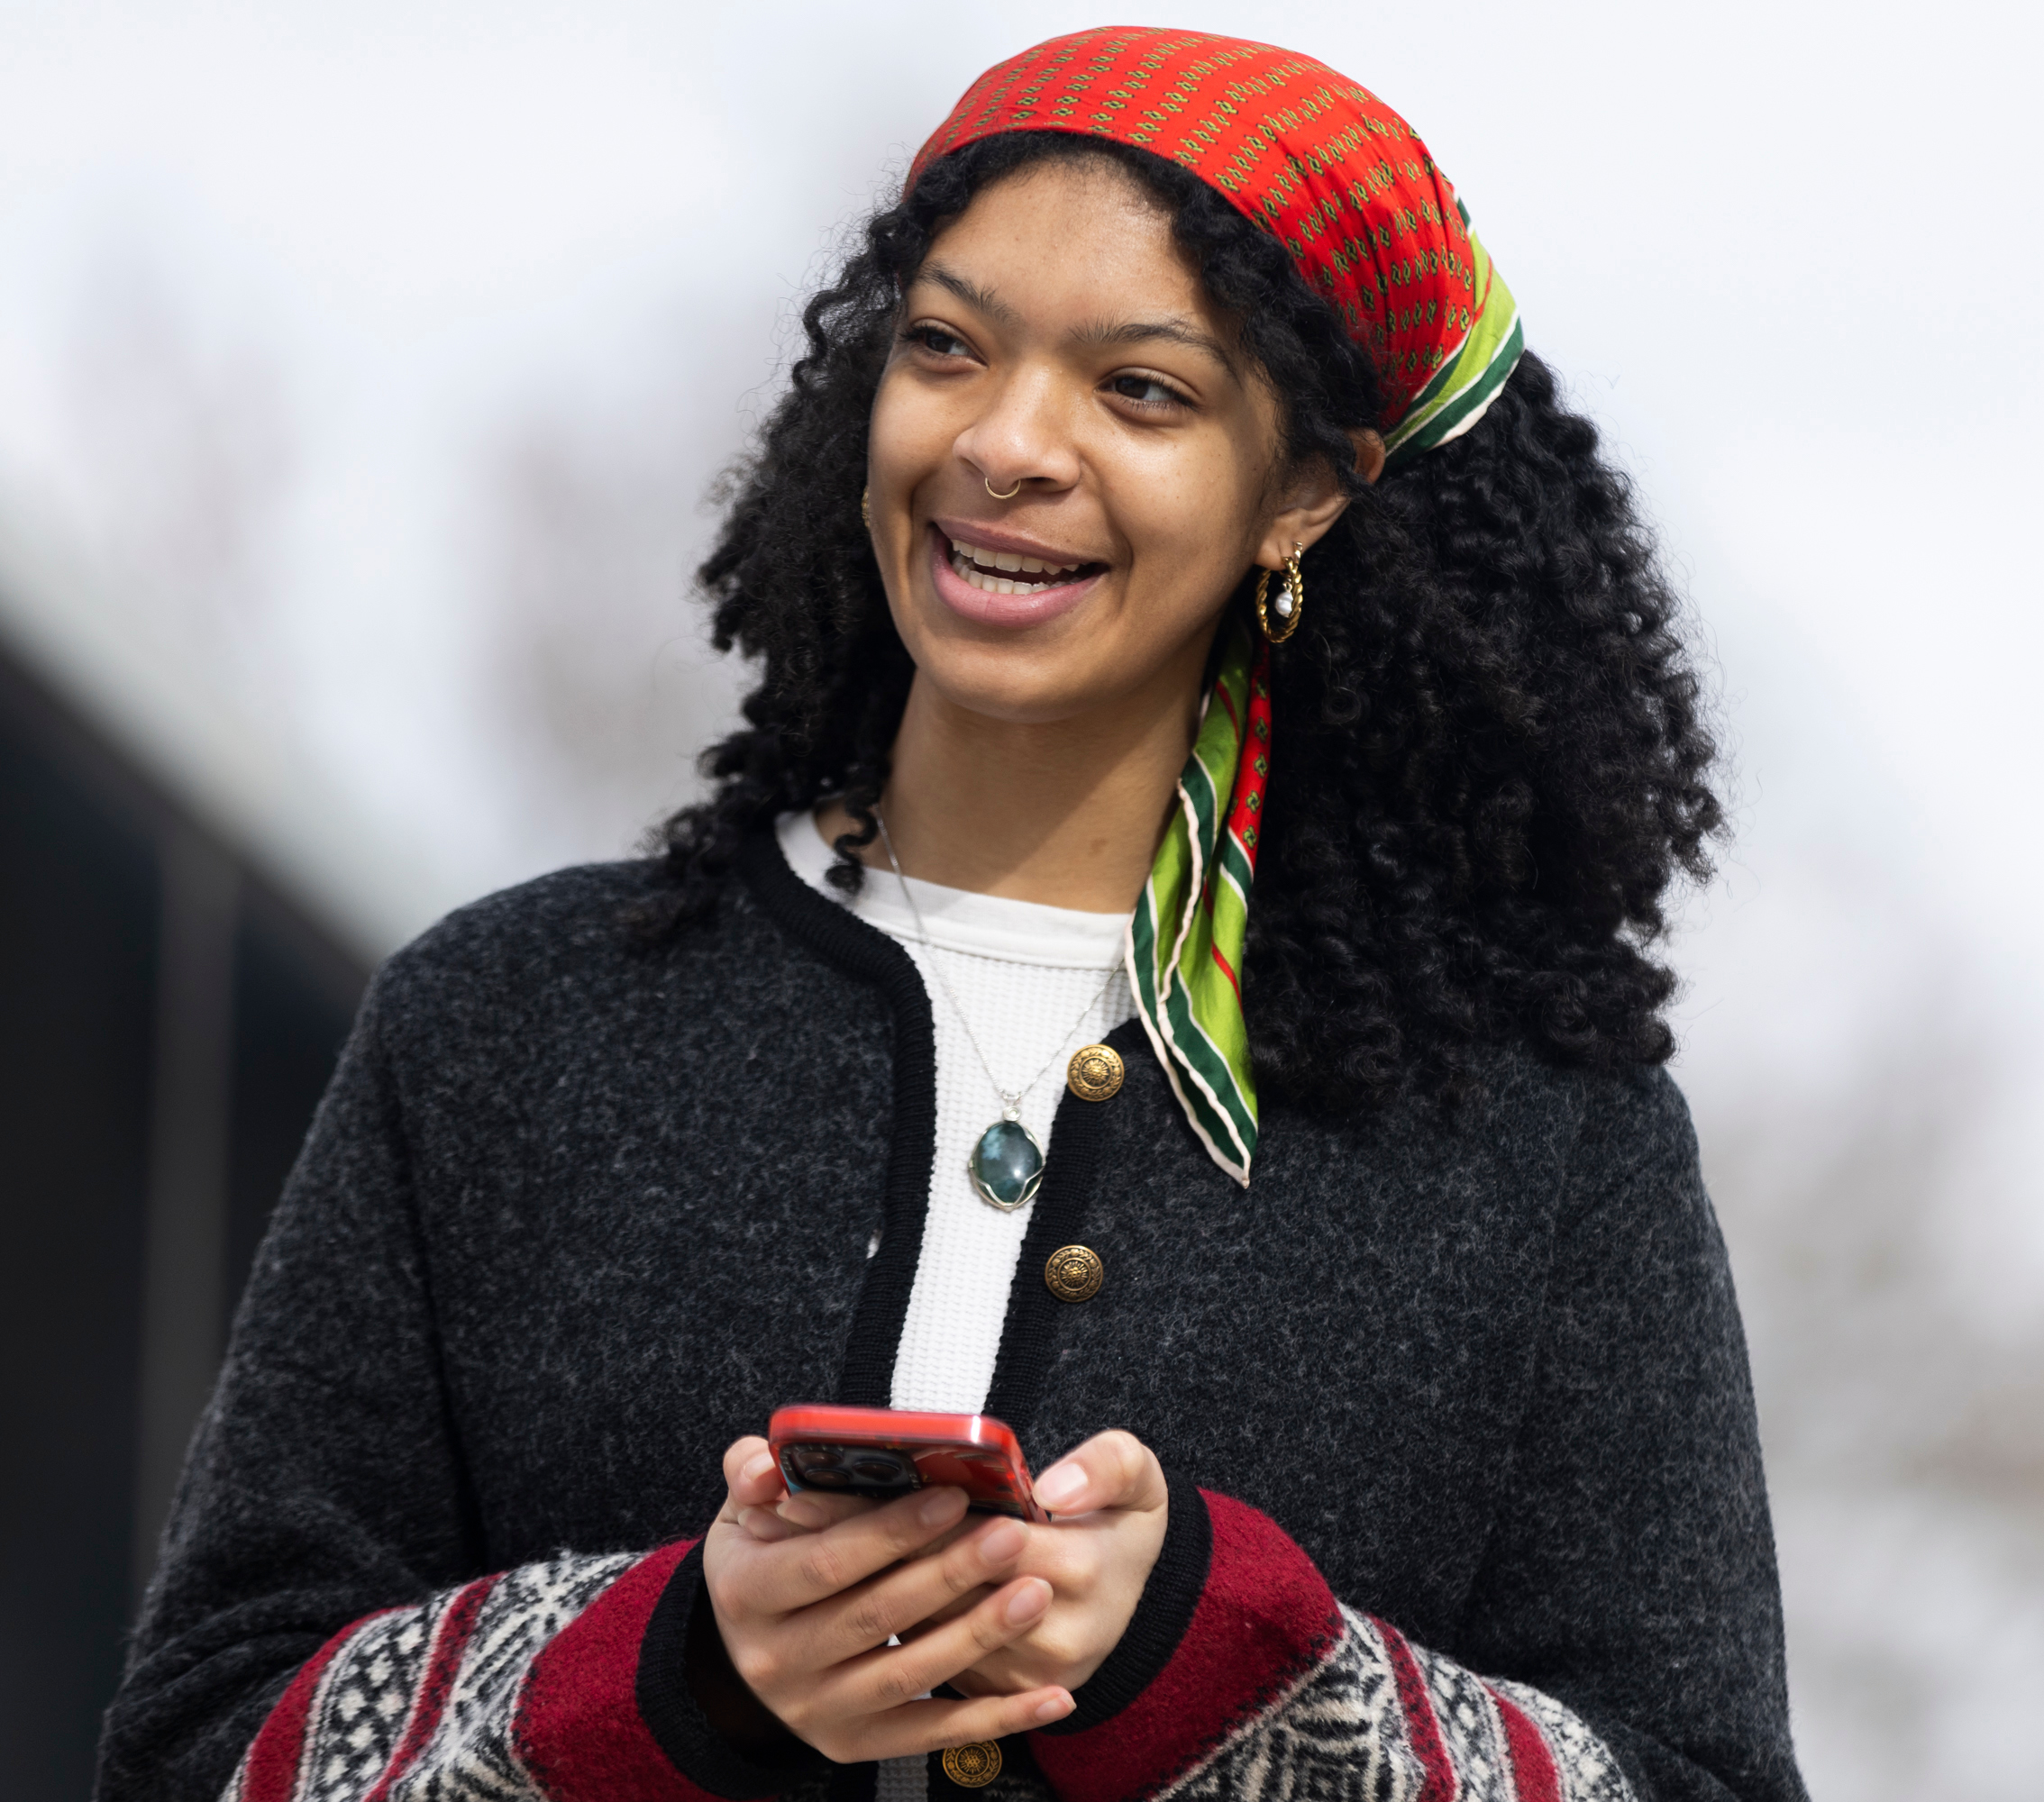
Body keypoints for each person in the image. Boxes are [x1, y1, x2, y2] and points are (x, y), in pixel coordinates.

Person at [99, 28, 1804, 1802]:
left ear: (1303, 490)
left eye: (1139, 391)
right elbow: (190, 1755)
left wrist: (1231, 1671)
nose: (1004, 442)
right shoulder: (505, 1029)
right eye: (947, 348)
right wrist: (674, 1669)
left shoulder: (1542, 1148)